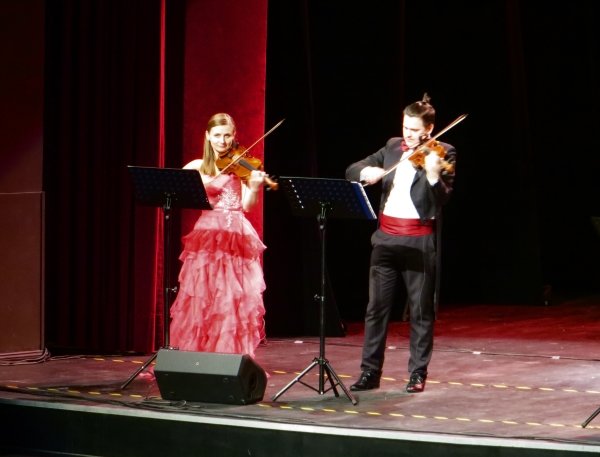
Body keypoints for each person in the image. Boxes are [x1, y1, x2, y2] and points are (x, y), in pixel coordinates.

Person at [345, 94, 456, 393]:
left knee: (420, 312)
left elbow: (443, 198)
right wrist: (366, 172)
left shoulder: (444, 151)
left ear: (429, 129)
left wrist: (432, 175)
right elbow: (352, 169)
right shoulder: (393, 146)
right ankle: (370, 372)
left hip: (418, 241)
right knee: (376, 309)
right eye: (405, 127)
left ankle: (418, 373)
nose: (408, 134)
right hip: (385, 239)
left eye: (414, 129)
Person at [169, 113, 268, 359]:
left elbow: (248, 205)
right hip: (207, 235)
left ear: (234, 136)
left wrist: (255, 187)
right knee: (202, 298)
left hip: (235, 235)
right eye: (217, 135)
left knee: (231, 301)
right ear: (207, 136)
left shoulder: (241, 167)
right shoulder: (195, 166)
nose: (222, 141)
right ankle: (195, 359)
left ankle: (229, 360)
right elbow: (174, 191)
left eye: (227, 135)